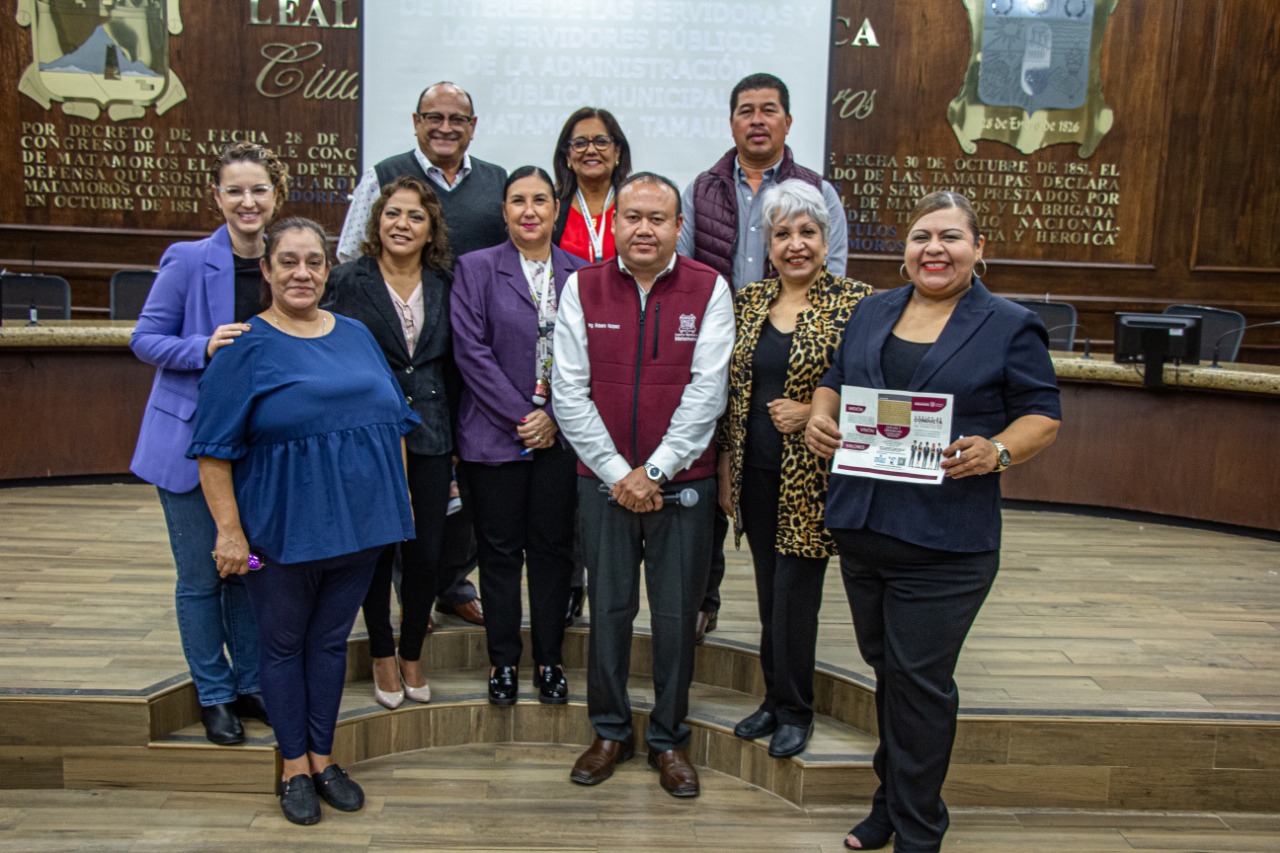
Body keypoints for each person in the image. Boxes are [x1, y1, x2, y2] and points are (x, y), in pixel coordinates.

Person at [805, 191, 1061, 852]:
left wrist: (998, 450)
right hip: (864, 526)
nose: (934, 249)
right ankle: (889, 805)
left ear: (978, 249)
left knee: (919, 684)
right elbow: (836, 376)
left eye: (950, 236)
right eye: (922, 237)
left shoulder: (1010, 324)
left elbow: (1042, 414)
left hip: (945, 540)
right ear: (906, 250)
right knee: (890, 674)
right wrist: (820, 414)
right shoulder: (872, 310)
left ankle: (919, 831)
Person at [190, 218, 419, 826]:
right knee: (283, 646)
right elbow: (212, 452)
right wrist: (230, 535)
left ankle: (324, 758)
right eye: (288, 261)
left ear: (327, 270)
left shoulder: (356, 333)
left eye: (313, 261)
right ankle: (292, 766)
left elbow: (393, 424)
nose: (302, 273)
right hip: (278, 535)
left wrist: (397, 500)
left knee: (329, 643)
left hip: (362, 531)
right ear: (266, 270)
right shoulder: (244, 349)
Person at [553, 173, 734, 798]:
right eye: (632, 217)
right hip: (602, 484)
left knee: (678, 616)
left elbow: (708, 391)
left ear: (679, 226)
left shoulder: (709, 288)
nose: (644, 229)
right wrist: (617, 474)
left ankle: (668, 737)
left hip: (683, 486)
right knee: (608, 610)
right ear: (616, 223)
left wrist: (654, 471)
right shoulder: (582, 286)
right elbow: (568, 390)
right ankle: (609, 732)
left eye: (658, 218)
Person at [677, 72, 851, 641]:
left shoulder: (818, 191)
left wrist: (816, 400)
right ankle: (705, 602)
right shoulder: (702, 189)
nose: (757, 119)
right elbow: (687, 274)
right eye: (746, 110)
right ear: (732, 121)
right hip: (723, 361)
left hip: (796, 373)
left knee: (793, 568)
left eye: (769, 109)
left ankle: (788, 667)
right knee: (720, 497)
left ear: (788, 121)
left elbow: (834, 299)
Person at [129, 141, 287, 746]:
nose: (248, 201)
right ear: (216, 197)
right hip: (189, 445)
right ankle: (214, 693)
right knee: (201, 576)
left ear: (275, 195)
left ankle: (249, 683)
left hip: (260, 450)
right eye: (235, 190)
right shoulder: (189, 260)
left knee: (248, 570)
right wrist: (203, 346)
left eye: (258, 190)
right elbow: (145, 339)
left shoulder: (284, 261)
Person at [716, 180, 872, 759]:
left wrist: (813, 412)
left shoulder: (858, 303)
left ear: (826, 240)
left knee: (795, 598)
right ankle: (772, 698)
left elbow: (879, 393)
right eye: (783, 233)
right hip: (755, 472)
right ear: (768, 244)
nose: (796, 244)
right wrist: (726, 465)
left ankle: (796, 709)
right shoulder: (749, 301)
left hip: (815, 479)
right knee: (768, 593)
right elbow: (732, 393)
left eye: (808, 232)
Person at [339, 80, 504, 626]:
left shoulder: (497, 182)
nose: (445, 128)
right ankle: (406, 597)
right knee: (388, 499)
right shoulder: (382, 175)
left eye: (457, 119)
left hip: (464, 356)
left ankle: (448, 585)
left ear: (473, 127)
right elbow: (349, 258)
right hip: (388, 361)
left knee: (458, 494)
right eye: (434, 117)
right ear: (416, 122)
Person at [450, 166, 587, 705]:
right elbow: (471, 353)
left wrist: (552, 415)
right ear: (504, 211)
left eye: (540, 200)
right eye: (517, 201)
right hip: (493, 437)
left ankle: (550, 659)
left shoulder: (582, 274)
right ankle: (503, 661)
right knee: (499, 553)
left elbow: (589, 357)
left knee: (552, 552)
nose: (529, 211)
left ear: (556, 209)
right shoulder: (476, 268)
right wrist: (523, 417)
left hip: (561, 438)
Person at [324, 175, 458, 710]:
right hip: (367, 434)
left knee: (426, 552)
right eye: (393, 213)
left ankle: (412, 652)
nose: (402, 224)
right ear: (376, 221)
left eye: (415, 216)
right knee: (376, 549)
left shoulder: (446, 283)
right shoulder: (346, 279)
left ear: (431, 230)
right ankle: (381, 651)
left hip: (431, 432)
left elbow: (453, 366)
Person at [551, 106, 633, 263]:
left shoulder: (636, 203)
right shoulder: (551, 207)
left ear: (617, 151)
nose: (590, 150)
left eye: (601, 142)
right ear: (568, 155)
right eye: (580, 143)